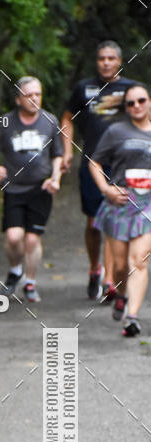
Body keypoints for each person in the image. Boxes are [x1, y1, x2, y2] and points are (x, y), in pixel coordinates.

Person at [61, 41, 134, 300]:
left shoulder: (131, 90)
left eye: (111, 58)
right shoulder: (84, 88)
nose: (106, 62)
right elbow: (67, 119)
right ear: (97, 61)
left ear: (119, 61)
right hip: (93, 163)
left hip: (123, 164)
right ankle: (95, 268)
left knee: (113, 220)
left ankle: (109, 280)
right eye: (101, 58)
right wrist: (68, 152)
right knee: (93, 224)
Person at [0, 76, 63, 303]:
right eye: (29, 95)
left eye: (38, 94)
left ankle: (30, 281)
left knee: (32, 240)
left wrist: (55, 178)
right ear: (18, 99)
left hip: (40, 188)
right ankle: (15, 269)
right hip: (14, 188)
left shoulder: (50, 120)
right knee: (14, 236)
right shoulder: (6, 122)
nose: (34, 98)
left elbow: (58, 154)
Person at [89, 83, 151, 337]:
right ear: (125, 107)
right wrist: (106, 189)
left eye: (141, 100)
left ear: (149, 102)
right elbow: (95, 161)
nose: (136, 106)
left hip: (148, 203)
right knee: (119, 267)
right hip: (121, 202)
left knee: (139, 260)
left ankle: (132, 317)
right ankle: (122, 295)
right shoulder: (116, 131)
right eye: (130, 103)